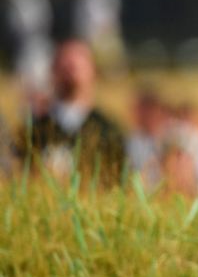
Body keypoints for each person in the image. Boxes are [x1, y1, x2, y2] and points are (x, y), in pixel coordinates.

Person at [17, 39, 125, 184]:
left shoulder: (108, 130)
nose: (71, 70)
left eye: (78, 65)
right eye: (65, 65)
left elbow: (119, 182)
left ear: (94, 71)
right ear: (52, 71)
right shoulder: (35, 130)